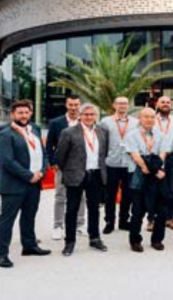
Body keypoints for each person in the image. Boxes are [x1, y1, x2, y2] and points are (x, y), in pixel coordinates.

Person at [0, 100, 51, 268]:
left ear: (30, 113)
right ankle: (1, 254)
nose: (24, 116)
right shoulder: (4, 133)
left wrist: (42, 171)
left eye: (26, 112)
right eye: (20, 113)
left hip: (35, 183)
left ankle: (29, 246)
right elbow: (6, 161)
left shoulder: (35, 129)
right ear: (12, 115)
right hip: (13, 184)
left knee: (29, 216)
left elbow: (43, 153)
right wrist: (29, 175)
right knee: (6, 220)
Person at [53, 103, 109, 256]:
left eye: (92, 114)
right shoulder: (68, 132)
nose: (89, 117)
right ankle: (69, 242)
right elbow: (60, 156)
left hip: (96, 175)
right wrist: (69, 170)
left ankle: (95, 238)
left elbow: (104, 153)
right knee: (72, 209)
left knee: (94, 209)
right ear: (80, 115)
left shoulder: (102, 131)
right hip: (75, 175)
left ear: (96, 116)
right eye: (86, 114)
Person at [124, 107, 171, 252]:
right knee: (138, 211)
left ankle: (157, 240)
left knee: (161, 211)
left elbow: (162, 154)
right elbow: (135, 156)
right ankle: (135, 241)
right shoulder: (131, 135)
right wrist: (149, 168)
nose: (149, 119)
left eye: (152, 117)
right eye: (146, 117)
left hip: (157, 175)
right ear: (140, 118)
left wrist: (156, 169)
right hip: (139, 175)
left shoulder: (161, 135)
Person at [46, 95, 84, 241]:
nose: (73, 108)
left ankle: (80, 224)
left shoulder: (86, 121)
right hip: (62, 166)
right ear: (66, 105)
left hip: (81, 166)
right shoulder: (56, 123)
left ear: (80, 105)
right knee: (60, 196)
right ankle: (58, 226)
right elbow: (49, 145)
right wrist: (53, 162)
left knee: (81, 196)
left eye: (76, 105)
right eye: (71, 105)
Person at [101, 96, 137, 234]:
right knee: (110, 195)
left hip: (129, 163)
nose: (122, 106)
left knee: (128, 194)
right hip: (112, 163)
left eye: (125, 103)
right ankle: (109, 222)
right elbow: (102, 143)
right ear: (114, 105)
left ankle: (123, 221)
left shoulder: (135, 122)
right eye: (120, 103)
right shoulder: (105, 122)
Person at [150, 96, 173, 231]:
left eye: (168, 102)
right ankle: (151, 220)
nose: (166, 104)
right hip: (154, 157)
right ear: (157, 104)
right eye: (162, 102)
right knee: (153, 189)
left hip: (170, 157)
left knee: (170, 189)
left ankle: (169, 218)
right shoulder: (151, 119)